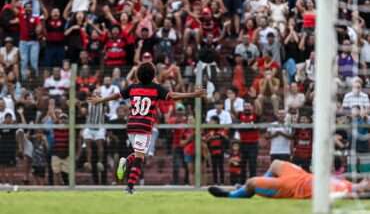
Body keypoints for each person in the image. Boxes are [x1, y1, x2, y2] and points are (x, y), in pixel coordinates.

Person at [89, 62, 205, 193]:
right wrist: (193, 94)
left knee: (139, 154)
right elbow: (173, 96)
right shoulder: (155, 88)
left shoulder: (133, 87)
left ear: (138, 75)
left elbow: (117, 96)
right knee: (139, 158)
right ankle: (130, 186)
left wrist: (100, 100)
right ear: (152, 74)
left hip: (131, 125)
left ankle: (126, 165)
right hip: (144, 126)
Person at [208, 160, 370, 199]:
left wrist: (361, 192)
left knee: (252, 182)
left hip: (290, 187)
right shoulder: (349, 183)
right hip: (301, 176)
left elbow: (356, 195)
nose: (367, 179)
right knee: (276, 163)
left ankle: (232, 195)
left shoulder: (347, 192)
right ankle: (244, 187)